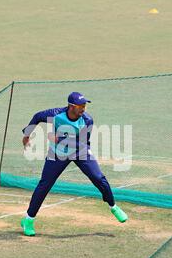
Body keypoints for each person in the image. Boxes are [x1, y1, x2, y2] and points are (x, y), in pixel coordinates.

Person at [20, 92, 128, 236]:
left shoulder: (87, 120)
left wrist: (60, 139)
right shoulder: (56, 114)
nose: (83, 109)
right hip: (58, 153)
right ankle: (28, 220)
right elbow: (37, 116)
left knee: (98, 178)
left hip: (80, 152)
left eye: (84, 105)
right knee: (45, 184)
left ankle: (113, 206)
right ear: (71, 106)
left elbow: (81, 143)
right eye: (80, 106)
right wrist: (27, 135)